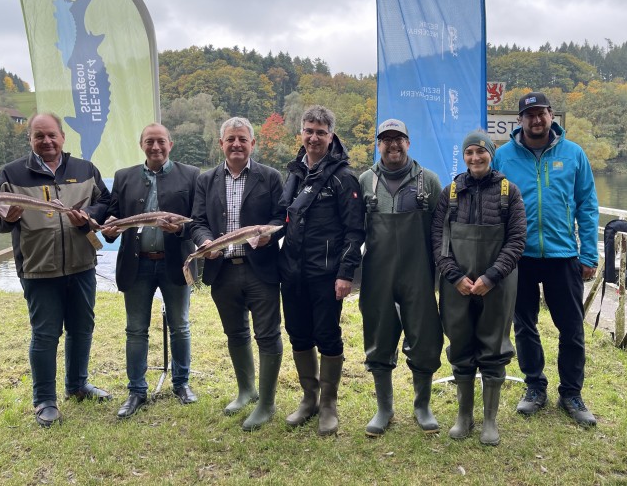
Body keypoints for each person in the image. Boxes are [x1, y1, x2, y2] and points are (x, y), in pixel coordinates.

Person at [0, 113, 111, 427]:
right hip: (38, 268)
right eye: (39, 136)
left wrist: (89, 214)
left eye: (52, 135)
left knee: (82, 329)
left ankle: (78, 385)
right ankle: (44, 400)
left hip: (81, 265)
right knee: (45, 334)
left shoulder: (85, 169)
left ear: (63, 137)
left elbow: (105, 202)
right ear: (31, 139)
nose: (47, 141)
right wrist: (8, 218)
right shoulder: (11, 174)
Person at [492, 91, 599, 426]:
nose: (536, 120)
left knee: (571, 328)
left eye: (541, 114)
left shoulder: (574, 154)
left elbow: (587, 205)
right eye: (529, 115)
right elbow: (493, 207)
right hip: (518, 255)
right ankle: (535, 387)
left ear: (551, 116)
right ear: (520, 120)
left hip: (563, 254)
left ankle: (571, 392)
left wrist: (589, 253)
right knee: (524, 325)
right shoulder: (503, 157)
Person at [190, 117, 285, 431]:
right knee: (236, 334)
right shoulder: (206, 180)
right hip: (222, 271)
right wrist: (205, 242)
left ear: (252, 144)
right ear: (221, 144)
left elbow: (280, 215)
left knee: (267, 335)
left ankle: (267, 403)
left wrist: (271, 233)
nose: (236, 144)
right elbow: (198, 220)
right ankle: (246, 390)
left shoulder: (270, 177)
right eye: (230, 139)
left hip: (261, 270)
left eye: (242, 139)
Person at [431, 131, 525, 445]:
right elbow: (439, 241)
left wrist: (492, 276)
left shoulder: (509, 192)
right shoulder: (451, 192)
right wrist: (453, 275)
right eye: (469, 152)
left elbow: (516, 240)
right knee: (460, 343)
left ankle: (490, 421)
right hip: (457, 283)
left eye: (481, 152)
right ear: (464, 155)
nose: (475, 158)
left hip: (496, 282)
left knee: (494, 346)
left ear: (491, 154)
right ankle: (464, 416)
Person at [102, 123, 200, 418]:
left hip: (175, 262)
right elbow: (113, 217)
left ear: (171, 144)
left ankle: (181, 384)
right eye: (149, 142)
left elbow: (198, 221)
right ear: (141, 144)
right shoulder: (124, 177)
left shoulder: (191, 175)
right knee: (135, 330)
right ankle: (136, 391)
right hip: (137, 264)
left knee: (180, 326)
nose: (155, 147)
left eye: (160, 141)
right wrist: (108, 228)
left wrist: (181, 229)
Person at [278, 105, 365, 436]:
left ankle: (329, 404)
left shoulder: (344, 178)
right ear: (300, 133)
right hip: (293, 271)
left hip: (327, 274)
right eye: (308, 130)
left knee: (327, 336)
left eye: (321, 132)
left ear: (331, 136)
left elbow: (355, 232)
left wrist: (345, 273)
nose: (314, 137)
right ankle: (309, 399)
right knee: (298, 333)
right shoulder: (295, 173)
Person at [358, 119, 444, 437]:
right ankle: (384, 409)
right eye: (386, 140)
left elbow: (442, 232)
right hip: (377, 273)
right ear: (378, 144)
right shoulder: (365, 181)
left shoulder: (429, 181)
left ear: (409, 143)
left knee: (425, 340)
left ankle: (422, 406)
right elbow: (353, 232)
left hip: (419, 273)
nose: (393, 145)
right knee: (378, 340)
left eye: (399, 139)